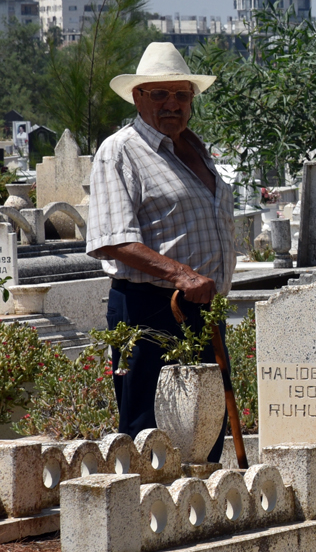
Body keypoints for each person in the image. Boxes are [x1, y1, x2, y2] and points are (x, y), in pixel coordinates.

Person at [86, 41, 234, 454]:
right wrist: (182, 275)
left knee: (207, 427)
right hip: (151, 308)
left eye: (182, 94)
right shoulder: (121, 151)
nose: (172, 103)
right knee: (150, 436)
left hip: (204, 309)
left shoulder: (195, 147)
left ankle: (205, 495)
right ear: (138, 97)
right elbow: (113, 239)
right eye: (160, 94)